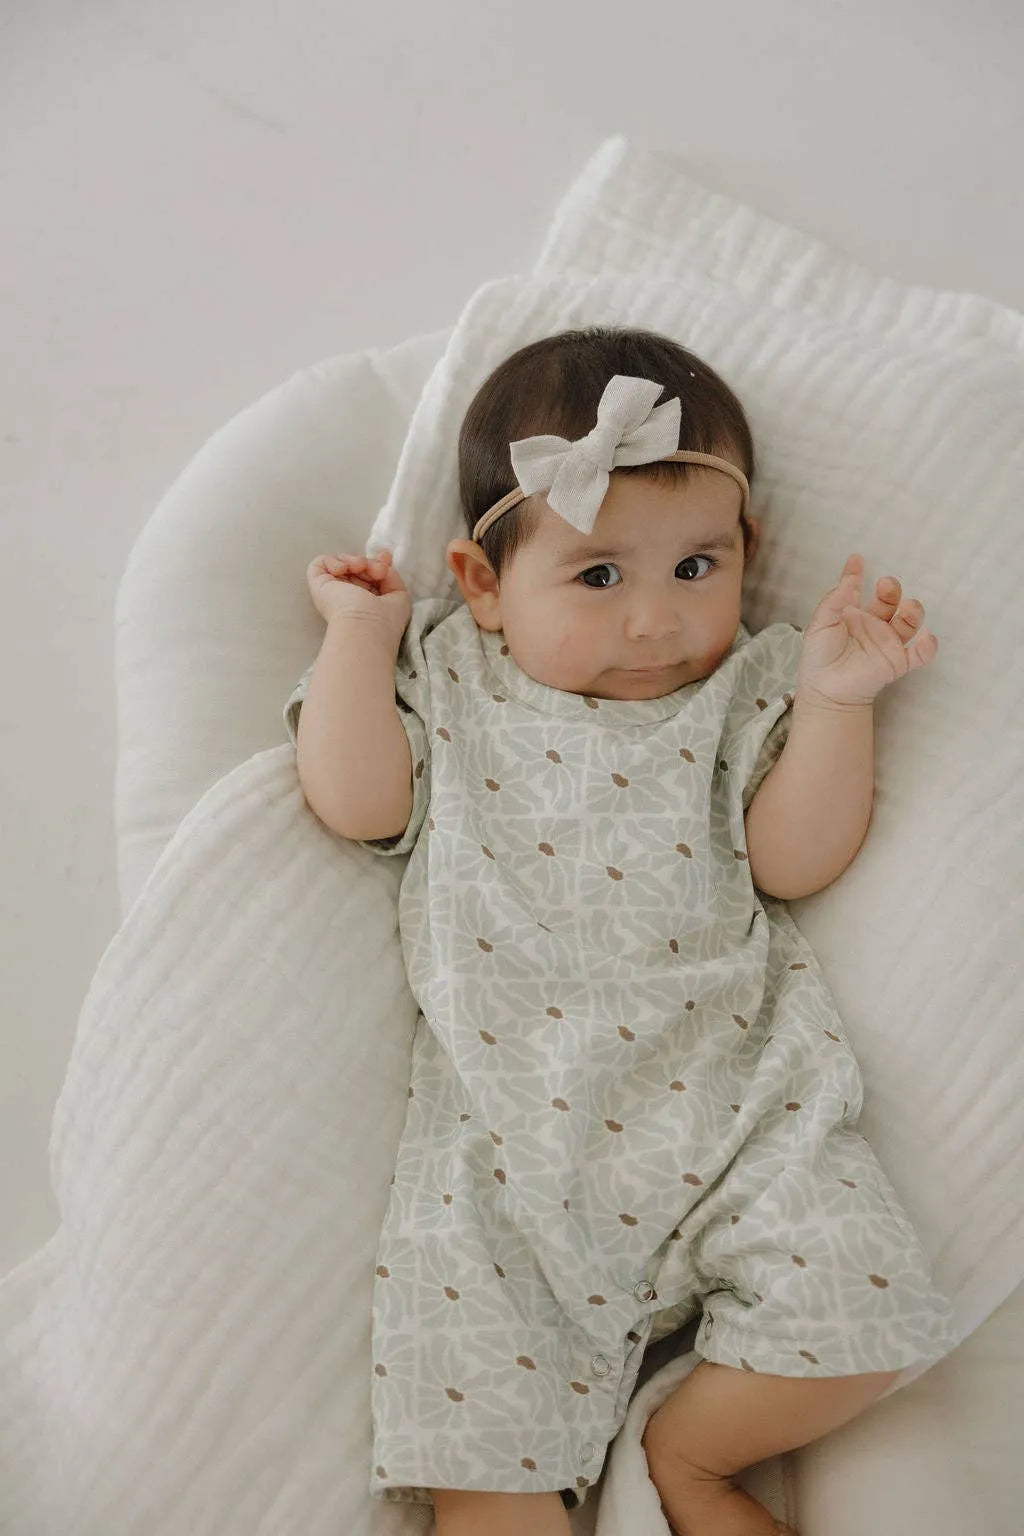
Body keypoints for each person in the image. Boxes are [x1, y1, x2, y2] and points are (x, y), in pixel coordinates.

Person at [285, 327, 956, 1536]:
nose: (654, 621)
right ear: (482, 585)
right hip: (506, 1160)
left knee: (861, 1314)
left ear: (749, 554)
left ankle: (689, 1456)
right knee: (482, 1462)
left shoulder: (747, 686)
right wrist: (357, 640)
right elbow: (359, 801)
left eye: (696, 567)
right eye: (597, 576)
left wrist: (835, 703)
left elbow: (792, 861)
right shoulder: (452, 677)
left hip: (738, 1114)